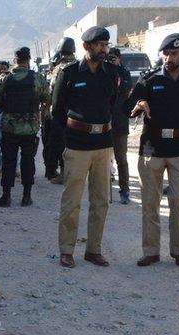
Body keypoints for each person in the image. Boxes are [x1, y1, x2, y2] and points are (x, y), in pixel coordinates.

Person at [125, 33, 179, 268]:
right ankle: (151, 251)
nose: (168, 58)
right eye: (165, 54)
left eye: (174, 54)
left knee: (178, 201)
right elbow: (127, 106)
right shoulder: (150, 79)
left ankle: (178, 251)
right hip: (152, 147)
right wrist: (138, 105)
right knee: (150, 202)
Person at [53, 26, 121, 268]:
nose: (104, 50)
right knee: (72, 200)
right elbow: (57, 110)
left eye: (106, 45)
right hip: (77, 144)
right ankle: (67, 250)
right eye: (99, 45)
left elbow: (112, 103)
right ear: (86, 47)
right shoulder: (69, 73)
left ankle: (94, 250)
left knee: (101, 200)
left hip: (103, 143)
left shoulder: (110, 73)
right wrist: (70, 137)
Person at [0, 47, 50, 207]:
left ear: (14, 60)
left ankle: (6, 196)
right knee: (28, 161)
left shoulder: (4, 79)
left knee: (8, 161)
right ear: (29, 59)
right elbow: (47, 98)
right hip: (29, 128)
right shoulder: (37, 78)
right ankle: (26, 196)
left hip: (9, 128)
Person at [44, 38, 79, 183]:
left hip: (59, 112)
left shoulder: (60, 68)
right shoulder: (80, 65)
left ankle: (60, 173)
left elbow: (52, 90)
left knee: (57, 144)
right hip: (76, 112)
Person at [107, 48, 133, 205]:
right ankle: (102, 190)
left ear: (119, 59)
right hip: (104, 121)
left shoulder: (124, 73)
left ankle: (125, 190)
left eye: (114, 58)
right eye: (110, 58)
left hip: (120, 122)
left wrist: (116, 71)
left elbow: (126, 89)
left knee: (121, 159)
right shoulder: (102, 71)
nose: (112, 60)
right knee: (102, 160)